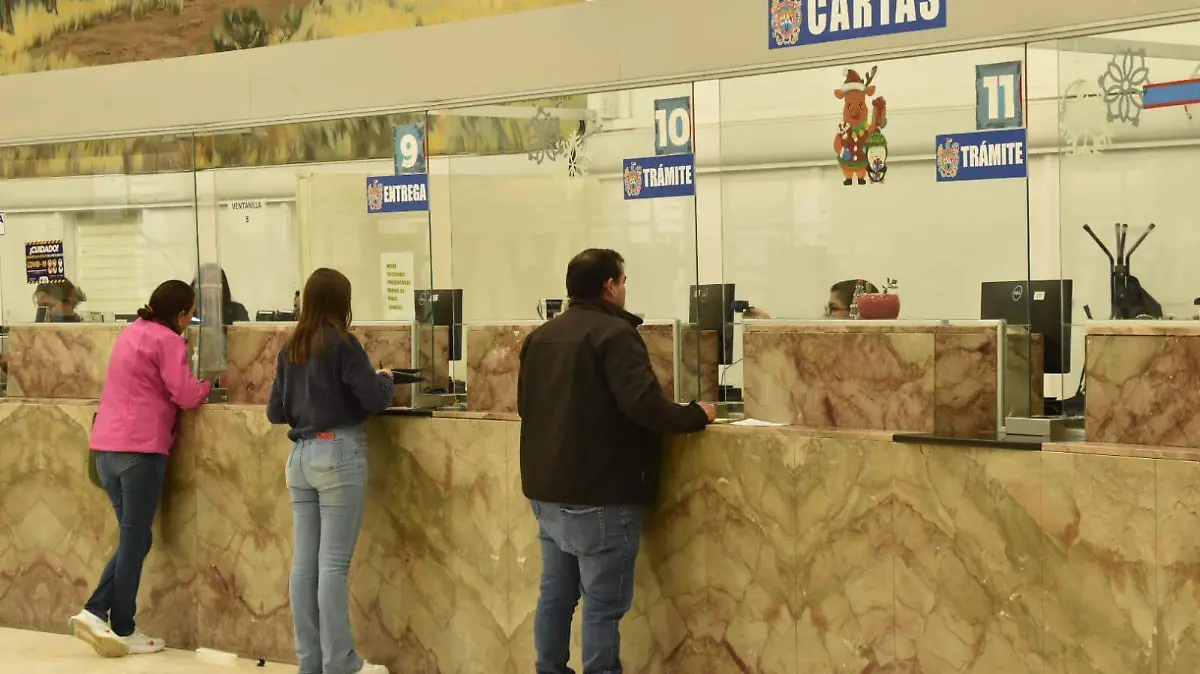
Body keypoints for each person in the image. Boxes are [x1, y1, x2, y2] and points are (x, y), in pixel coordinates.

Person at [518, 248, 716, 674]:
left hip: (547, 492)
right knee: (602, 606)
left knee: (556, 596)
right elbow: (643, 405)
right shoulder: (615, 335)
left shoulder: (540, 337)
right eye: (623, 281)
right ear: (610, 285)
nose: (625, 289)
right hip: (600, 495)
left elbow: (525, 406)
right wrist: (695, 414)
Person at [69, 280, 213, 658]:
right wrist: (209, 384)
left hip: (105, 452)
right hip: (140, 453)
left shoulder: (131, 332)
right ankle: (118, 624)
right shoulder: (169, 341)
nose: (190, 321)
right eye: (190, 314)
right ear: (180, 315)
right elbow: (186, 395)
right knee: (135, 541)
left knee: (136, 540)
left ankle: (98, 614)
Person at [267, 268, 394, 674]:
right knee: (333, 566)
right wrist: (386, 380)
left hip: (300, 459)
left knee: (304, 564)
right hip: (338, 454)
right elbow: (374, 399)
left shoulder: (291, 347)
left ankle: (311, 662)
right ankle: (342, 662)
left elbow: (274, 412)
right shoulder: (343, 343)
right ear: (342, 302)